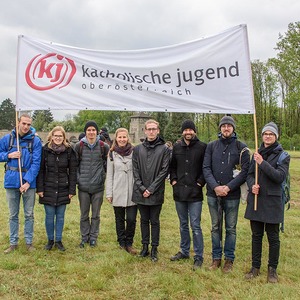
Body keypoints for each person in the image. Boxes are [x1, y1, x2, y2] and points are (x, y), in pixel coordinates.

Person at [203, 115, 250, 272]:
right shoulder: (211, 146)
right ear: (220, 128)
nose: (226, 128)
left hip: (232, 195)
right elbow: (206, 168)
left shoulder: (241, 148)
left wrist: (228, 187)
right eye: (224, 126)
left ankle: (229, 259)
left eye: (229, 126)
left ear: (233, 128)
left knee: (231, 227)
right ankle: (216, 258)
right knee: (215, 227)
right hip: (213, 194)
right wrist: (216, 187)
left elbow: (244, 172)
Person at [244, 122, 290, 283]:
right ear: (262, 136)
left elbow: (279, 177)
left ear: (276, 136)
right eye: (265, 133)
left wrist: (262, 163)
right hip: (256, 199)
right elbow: (249, 175)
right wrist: (252, 186)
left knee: (273, 237)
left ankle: (272, 270)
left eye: (271, 134)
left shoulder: (283, 155)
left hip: (272, 201)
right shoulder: (256, 153)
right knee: (256, 236)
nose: (267, 136)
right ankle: (255, 267)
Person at [0, 113, 42, 253]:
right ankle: (13, 243)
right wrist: (8, 155)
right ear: (18, 123)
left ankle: (29, 242)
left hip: (28, 184)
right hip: (11, 181)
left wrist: (27, 182)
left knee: (29, 214)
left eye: (28, 124)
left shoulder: (35, 141)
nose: (26, 127)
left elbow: (36, 163)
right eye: (23, 123)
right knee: (13, 214)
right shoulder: (8, 139)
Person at [169, 120, 207, 270]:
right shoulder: (177, 147)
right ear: (182, 132)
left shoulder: (203, 147)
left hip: (195, 192)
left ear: (194, 131)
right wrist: (173, 180)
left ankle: (198, 255)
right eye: (186, 130)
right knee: (183, 224)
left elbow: (206, 167)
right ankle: (184, 251)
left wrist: (200, 182)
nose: (188, 132)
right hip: (179, 192)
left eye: (191, 129)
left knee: (195, 225)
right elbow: (172, 166)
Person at [132, 119, 171, 262]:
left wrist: (151, 189)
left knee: (154, 220)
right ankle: (144, 247)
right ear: (145, 131)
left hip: (156, 192)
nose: (151, 131)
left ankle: (154, 248)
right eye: (149, 129)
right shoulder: (137, 149)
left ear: (158, 130)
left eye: (154, 129)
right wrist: (142, 188)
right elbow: (135, 170)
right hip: (140, 192)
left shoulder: (164, 149)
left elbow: (164, 170)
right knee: (143, 220)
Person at [36, 126, 78, 251]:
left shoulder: (69, 151)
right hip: (48, 187)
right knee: (49, 216)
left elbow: (73, 172)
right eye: (56, 136)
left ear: (64, 137)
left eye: (60, 136)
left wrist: (71, 190)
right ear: (51, 137)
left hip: (63, 187)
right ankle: (50, 240)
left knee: (60, 216)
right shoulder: (45, 150)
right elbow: (41, 170)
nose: (58, 138)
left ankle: (58, 240)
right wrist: (40, 188)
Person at [74, 121, 109, 248]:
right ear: (85, 132)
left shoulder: (103, 146)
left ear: (97, 132)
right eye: (89, 130)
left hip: (98, 187)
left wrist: (102, 177)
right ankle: (84, 237)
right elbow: (75, 165)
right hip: (83, 187)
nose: (91, 132)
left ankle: (93, 237)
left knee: (95, 215)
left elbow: (107, 165)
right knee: (84, 215)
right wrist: (79, 179)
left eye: (93, 130)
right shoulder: (79, 146)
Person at [106, 128, 137, 255]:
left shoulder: (134, 152)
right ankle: (121, 242)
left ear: (127, 138)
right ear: (116, 139)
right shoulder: (112, 154)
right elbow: (110, 174)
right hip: (117, 189)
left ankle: (129, 242)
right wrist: (109, 193)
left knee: (131, 219)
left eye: (124, 137)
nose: (122, 139)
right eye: (120, 137)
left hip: (131, 189)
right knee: (119, 218)